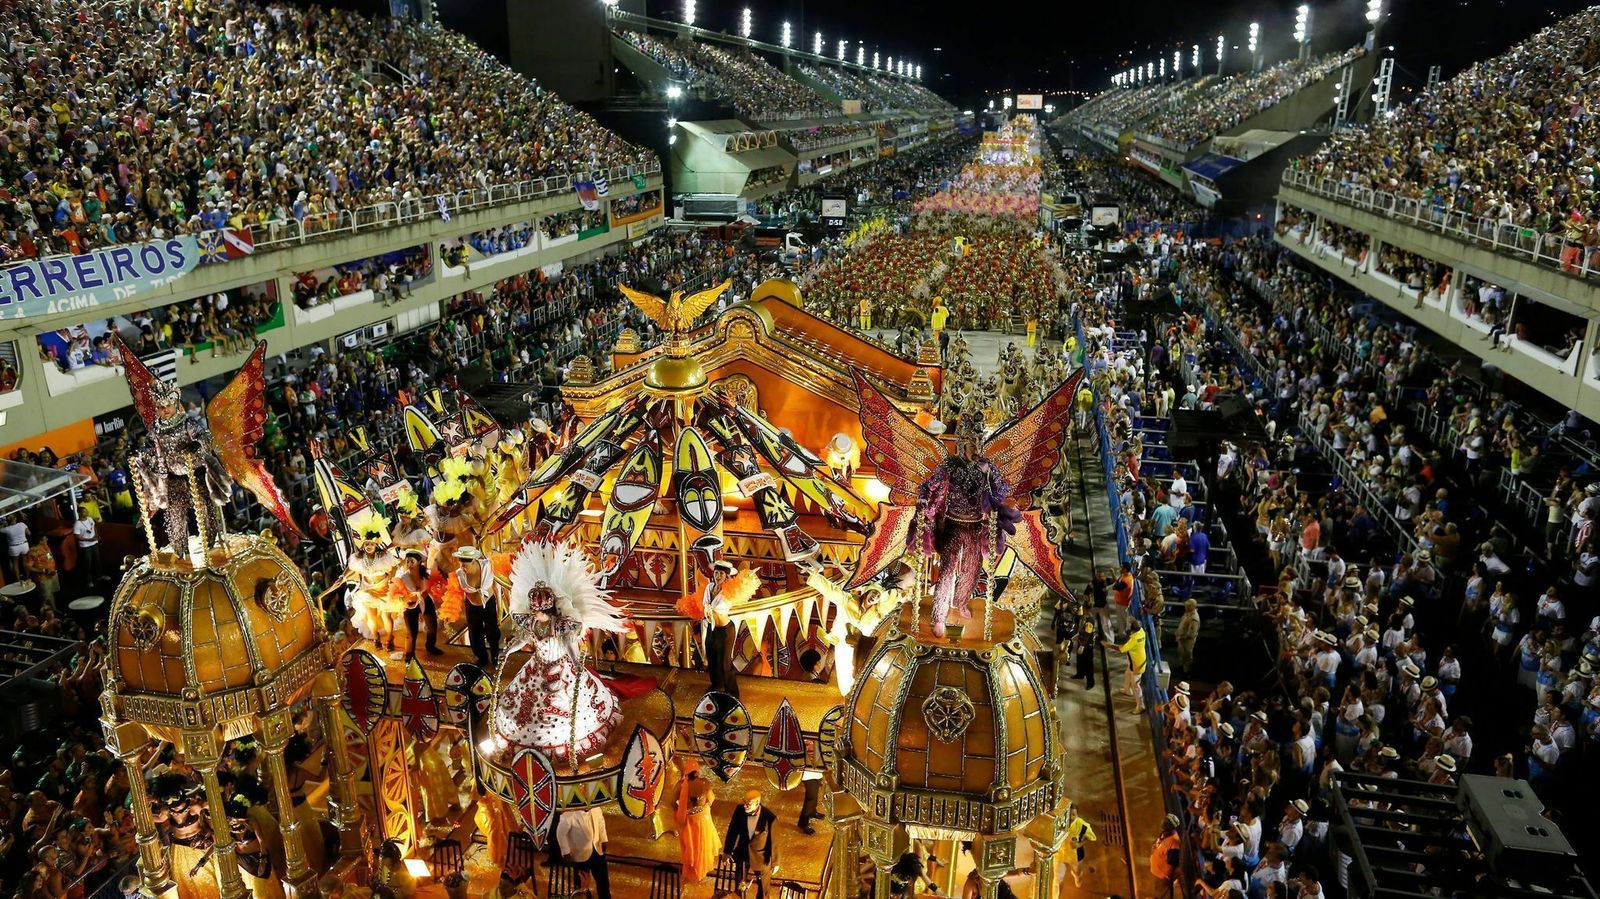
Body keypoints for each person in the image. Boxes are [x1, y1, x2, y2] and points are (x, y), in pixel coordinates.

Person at [723, 789, 779, 899]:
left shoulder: (770, 818)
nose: (744, 806)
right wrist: (727, 851)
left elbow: (775, 842)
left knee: (763, 890)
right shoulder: (739, 810)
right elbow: (732, 831)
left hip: (761, 857)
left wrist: (775, 862)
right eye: (744, 802)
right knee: (740, 886)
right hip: (743, 854)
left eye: (748, 804)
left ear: (757, 803)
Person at [675, 757, 719, 882]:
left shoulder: (680, 786)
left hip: (688, 821)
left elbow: (672, 803)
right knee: (703, 844)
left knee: (689, 846)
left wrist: (682, 812)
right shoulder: (705, 783)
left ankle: (691, 869)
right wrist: (703, 809)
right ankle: (701, 869)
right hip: (702, 819)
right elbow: (711, 800)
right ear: (697, 771)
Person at [393, 550, 442, 661]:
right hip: (410, 605)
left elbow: (434, 584)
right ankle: (409, 656)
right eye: (407, 562)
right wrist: (409, 597)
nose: (409, 564)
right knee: (411, 633)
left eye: (412, 562)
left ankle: (430, 647)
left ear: (419, 562)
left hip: (426, 601)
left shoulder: (426, 574)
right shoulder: (402, 578)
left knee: (432, 626)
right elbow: (398, 595)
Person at [454, 546, 499, 667]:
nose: (462, 568)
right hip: (472, 607)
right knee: (475, 634)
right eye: (461, 564)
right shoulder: (459, 574)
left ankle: (495, 655)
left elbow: (497, 581)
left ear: (473, 561)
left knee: (492, 631)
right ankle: (482, 657)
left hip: (489, 603)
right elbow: (455, 594)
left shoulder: (488, 566)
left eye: (465, 565)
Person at [555, 802, 610, 898]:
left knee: (603, 880)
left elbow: (601, 821)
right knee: (582, 884)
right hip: (580, 854)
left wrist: (604, 838)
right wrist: (566, 851)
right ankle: (584, 896)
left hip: (597, 849)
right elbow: (560, 833)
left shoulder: (595, 807)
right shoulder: (569, 813)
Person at [1105, 625, 1148, 712]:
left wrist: (1109, 645)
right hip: (1137, 662)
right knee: (1127, 674)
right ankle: (1127, 690)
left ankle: (1140, 706)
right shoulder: (1141, 632)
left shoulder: (1133, 640)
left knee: (1136, 686)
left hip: (1137, 666)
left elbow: (1121, 649)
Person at [1062, 807, 1098, 888]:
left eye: (1073, 815)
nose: (1071, 817)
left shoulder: (1083, 826)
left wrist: (1079, 844)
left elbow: (1092, 838)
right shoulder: (1060, 823)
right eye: (1069, 815)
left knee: (1077, 871)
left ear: (1077, 815)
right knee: (1057, 878)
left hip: (1076, 855)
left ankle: (1077, 877)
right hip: (1061, 852)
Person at [1150, 814, 1183, 899]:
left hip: (1162, 877)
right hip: (1157, 872)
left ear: (1171, 828)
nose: (1163, 829)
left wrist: (1167, 878)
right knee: (1157, 893)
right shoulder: (1165, 834)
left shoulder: (1174, 842)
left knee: (1162, 895)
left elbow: (1172, 863)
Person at [72, 510, 101, 588]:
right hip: (85, 546)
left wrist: (97, 536)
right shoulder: (77, 524)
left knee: (97, 560)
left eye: (86, 511)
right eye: (84, 511)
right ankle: (88, 580)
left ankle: (99, 576)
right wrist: (89, 540)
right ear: (80, 513)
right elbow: (77, 537)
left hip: (94, 543)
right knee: (87, 563)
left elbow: (94, 526)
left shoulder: (89, 519)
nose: (87, 512)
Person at [1175, 598, 1200, 673]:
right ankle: (1182, 668)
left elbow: (1191, 633)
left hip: (1187, 641)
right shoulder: (1187, 613)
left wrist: (1181, 637)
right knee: (1182, 655)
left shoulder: (1194, 618)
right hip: (1181, 638)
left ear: (1192, 607)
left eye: (1187, 606)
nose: (1185, 607)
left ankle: (1186, 672)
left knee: (1187, 656)